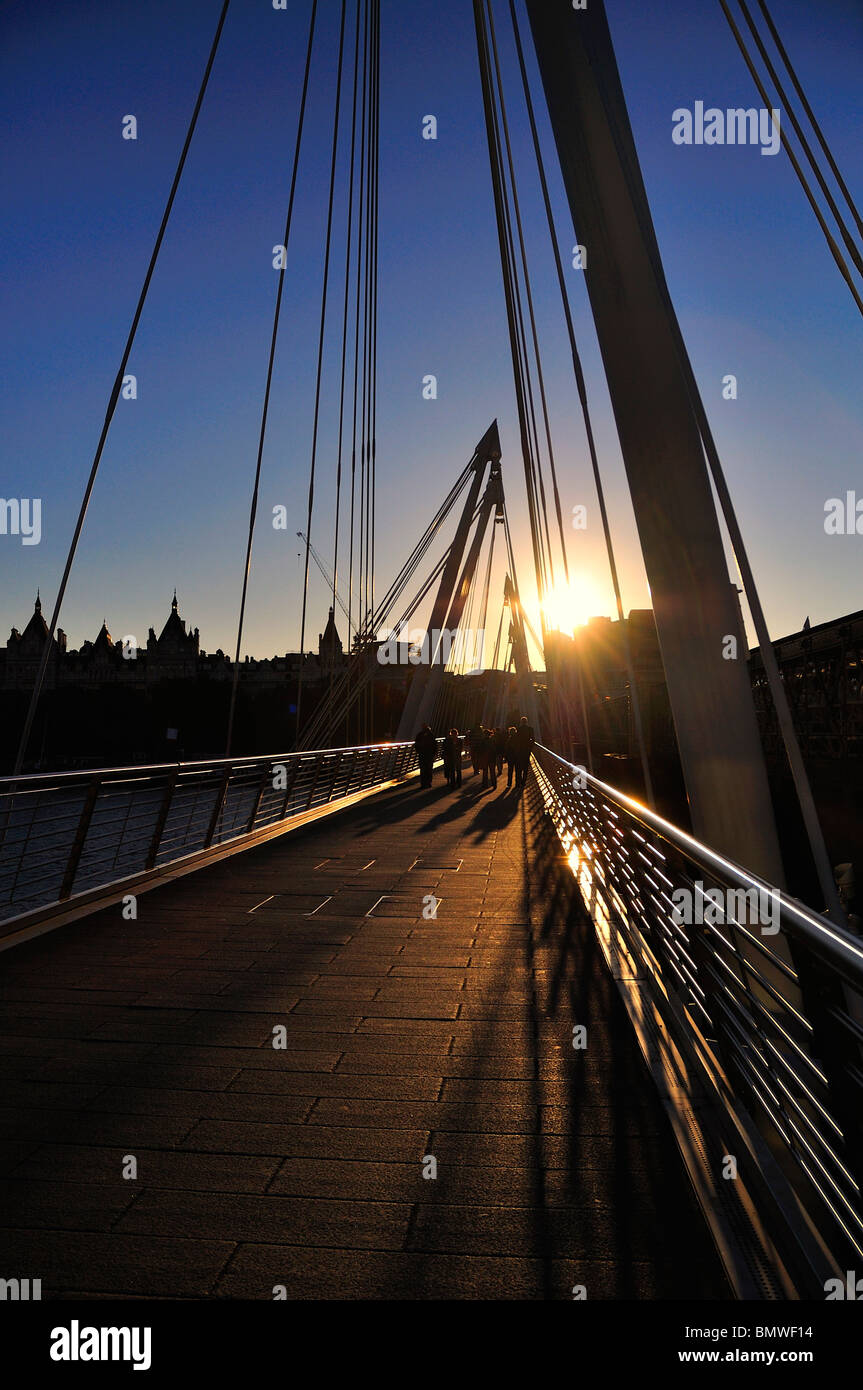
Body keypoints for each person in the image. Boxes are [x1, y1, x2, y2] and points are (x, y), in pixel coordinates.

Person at [513, 715, 535, 790]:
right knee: (525, 767)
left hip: (519, 751)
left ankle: (517, 783)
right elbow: (533, 739)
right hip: (527, 751)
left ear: (521, 722)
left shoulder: (518, 729)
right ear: (527, 722)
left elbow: (516, 740)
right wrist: (530, 747)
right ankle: (523, 782)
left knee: (518, 768)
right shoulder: (530, 729)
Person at [414, 724, 437, 788]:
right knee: (429, 769)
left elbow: (416, 744)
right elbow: (435, 745)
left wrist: (418, 751)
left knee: (423, 770)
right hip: (430, 755)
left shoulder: (419, 735)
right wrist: (434, 754)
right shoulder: (431, 735)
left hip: (422, 755)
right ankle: (429, 782)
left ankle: (423, 783)